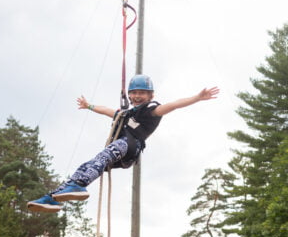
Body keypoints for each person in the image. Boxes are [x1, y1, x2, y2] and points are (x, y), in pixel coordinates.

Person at [28, 75, 219, 212]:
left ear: (150, 95)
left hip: (130, 147)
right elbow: (107, 111)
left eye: (142, 93)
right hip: (119, 148)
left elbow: (174, 105)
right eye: (134, 93)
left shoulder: (151, 111)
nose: (137, 96)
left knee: (104, 155)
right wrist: (90, 106)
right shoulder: (125, 113)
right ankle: (52, 198)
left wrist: (196, 98)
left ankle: (78, 185)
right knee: (89, 165)